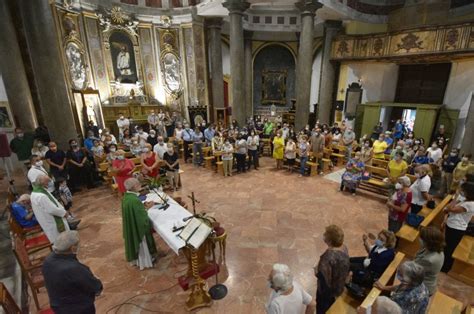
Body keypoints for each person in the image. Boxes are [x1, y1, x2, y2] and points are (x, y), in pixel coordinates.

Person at [42, 231, 103, 314]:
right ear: (72, 248)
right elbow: (96, 287)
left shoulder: (48, 259)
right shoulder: (73, 268)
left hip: (58, 306)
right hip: (78, 309)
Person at [122, 178, 157, 270]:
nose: (140, 185)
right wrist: (147, 208)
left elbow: (135, 211)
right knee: (143, 243)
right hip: (138, 229)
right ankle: (145, 261)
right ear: (134, 187)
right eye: (138, 184)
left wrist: (143, 206)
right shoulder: (134, 200)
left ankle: (138, 260)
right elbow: (142, 219)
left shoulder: (127, 197)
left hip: (132, 226)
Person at [314, 225, 350, 313]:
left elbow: (323, 278)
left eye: (325, 234)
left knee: (323, 309)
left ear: (329, 240)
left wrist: (316, 270)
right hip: (339, 288)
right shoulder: (344, 248)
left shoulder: (328, 257)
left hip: (327, 294)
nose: (324, 235)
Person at [441, 182, 474, 272]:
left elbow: (451, 208)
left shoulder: (469, 204)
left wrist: (456, 197)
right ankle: (444, 265)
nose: (461, 191)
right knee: (447, 246)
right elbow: (448, 208)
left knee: (449, 248)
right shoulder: (466, 201)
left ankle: (445, 268)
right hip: (453, 225)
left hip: (456, 228)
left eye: (463, 190)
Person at [31, 175, 70, 243]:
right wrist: (64, 213)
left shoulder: (37, 192)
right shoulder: (41, 196)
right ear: (42, 183)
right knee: (61, 241)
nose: (49, 184)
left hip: (47, 219)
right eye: (47, 182)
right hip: (52, 221)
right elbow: (52, 209)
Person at [414, 226, 445, 295]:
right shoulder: (434, 249)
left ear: (428, 241)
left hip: (422, 288)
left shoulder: (429, 260)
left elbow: (414, 270)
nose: (419, 239)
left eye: (421, 238)